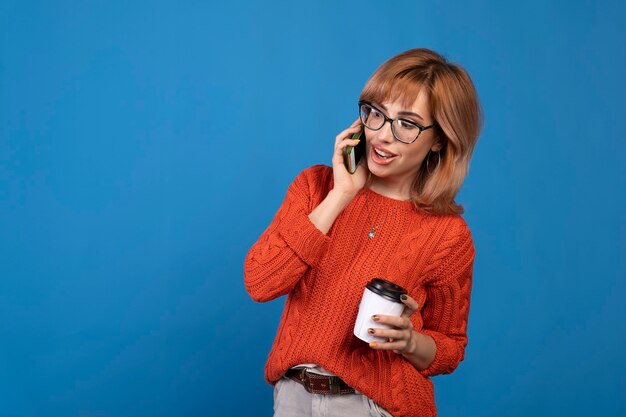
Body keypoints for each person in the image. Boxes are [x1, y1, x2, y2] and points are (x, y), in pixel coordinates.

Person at [244, 48, 482, 417]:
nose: (383, 136)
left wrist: (408, 341)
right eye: (376, 114)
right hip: (294, 398)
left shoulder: (447, 235)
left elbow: (450, 347)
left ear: (439, 139)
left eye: (407, 124)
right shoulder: (315, 187)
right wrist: (341, 194)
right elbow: (261, 282)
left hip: (375, 406)